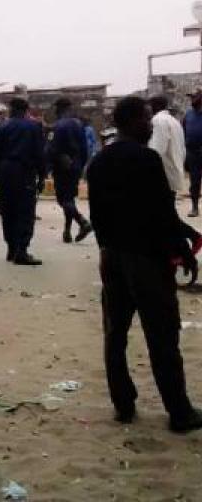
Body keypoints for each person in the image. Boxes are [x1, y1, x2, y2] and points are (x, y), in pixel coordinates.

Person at [87, 96, 202, 433]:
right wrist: (184, 251)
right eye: (146, 118)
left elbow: (98, 217)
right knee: (162, 335)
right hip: (146, 261)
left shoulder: (98, 163)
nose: (150, 124)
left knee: (115, 334)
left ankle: (123, 404)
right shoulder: (147, 160)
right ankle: (179, 411)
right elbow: (161, 215)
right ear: (134, 121)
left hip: (112, 258)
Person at [0, 98, 46, 264]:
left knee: (8, 209)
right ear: (26, 110)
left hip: (6, 170)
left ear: (10, 109)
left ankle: (11, 248)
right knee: (25, 210)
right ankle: (22, 250)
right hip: (25, 171)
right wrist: (42, 175)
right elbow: (39, 153)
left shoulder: (2, 127)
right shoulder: (33, 127)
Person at [48, 98, 93, 244]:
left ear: (59, 109)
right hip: (76, 165)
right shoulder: (79, 124)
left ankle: (82, 222)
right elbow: (85, 148)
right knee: (70, 198)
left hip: (62, 167)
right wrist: (82, 164)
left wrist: (49, 165)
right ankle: (67, 231)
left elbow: (52, 149)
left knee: (63, 200)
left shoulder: (57, 126)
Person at [149, 96, 186, 197]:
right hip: (174, 171)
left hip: (164, 174)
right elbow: (182, 149)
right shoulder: (174, 121)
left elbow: (157, 150)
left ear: (155, 106)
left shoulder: (158, 120)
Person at [184, 90, 202, 217]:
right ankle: (195, 207)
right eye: (191, 97)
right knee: (194, 182)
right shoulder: (188, 115)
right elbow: (184, 132)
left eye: (194, 97)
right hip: (192, 153)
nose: (192, 100)